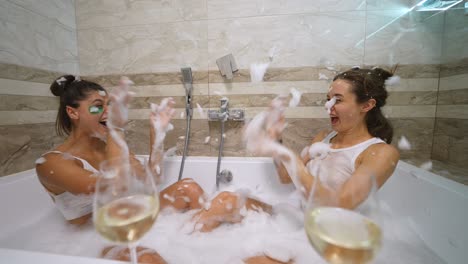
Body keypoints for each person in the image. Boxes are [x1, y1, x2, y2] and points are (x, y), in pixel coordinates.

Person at [36, 75, 279, 264]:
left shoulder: (108, 147)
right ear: (72, 112)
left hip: (134, 216)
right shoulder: (52, 164)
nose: (108, 111)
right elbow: (110, 187)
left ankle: (266, 230)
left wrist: (157, 137)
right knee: (146, 257)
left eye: (110, 105)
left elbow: (149, 179)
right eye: (98, 106)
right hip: (98, 235)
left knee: (191, 188)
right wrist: (115, 128)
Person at [252, 67, 400, 210]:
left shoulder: (381, 153)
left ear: (367, 105)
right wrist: (276, 140)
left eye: (338, 100)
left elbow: (341, 204)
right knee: (229, 201)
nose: (328, 106)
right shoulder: (323, 139)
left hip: (336, 231)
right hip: (303, 220)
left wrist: (291, 158)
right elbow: (286, 177)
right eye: (328, 99)